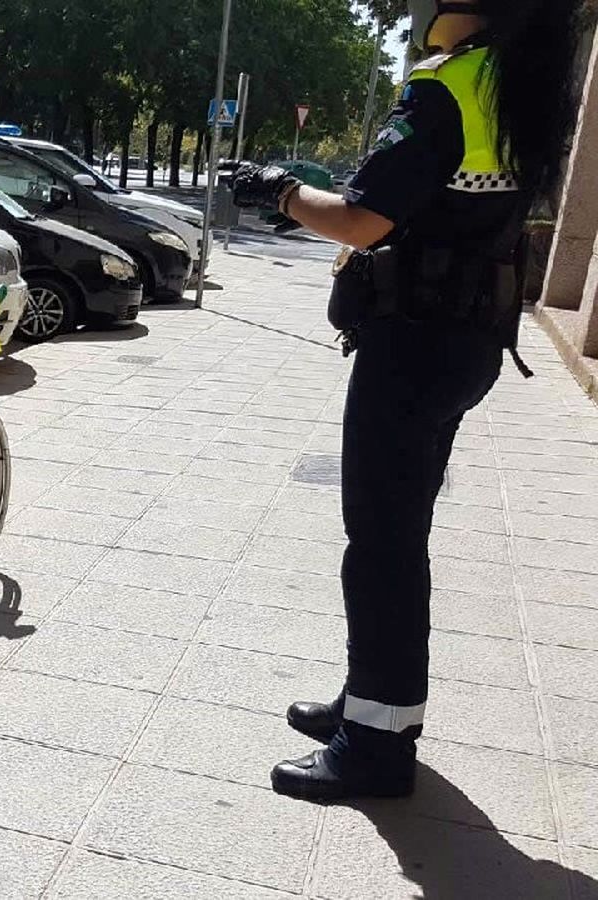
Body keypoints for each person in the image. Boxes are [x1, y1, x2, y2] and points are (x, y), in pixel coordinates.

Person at [229, 0, 582, 801]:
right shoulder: (517, 83)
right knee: (399, 533)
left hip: (413, 345)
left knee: (382, 544)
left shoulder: (448, 87)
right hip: (468, 341)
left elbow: (359, 221)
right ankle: (369, 703)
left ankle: (377, 748)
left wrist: (279, 191)